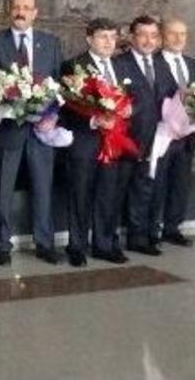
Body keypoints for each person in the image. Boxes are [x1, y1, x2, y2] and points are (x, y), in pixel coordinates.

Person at [0, 0, 64, 265]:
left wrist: (51, 114)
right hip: (9, 130)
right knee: (2, 190)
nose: (20, 12)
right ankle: (1, 245)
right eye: (16, 7)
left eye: (26, 7)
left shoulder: (50, 43)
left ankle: (45, 242)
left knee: (43, 189)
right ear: (10, 10)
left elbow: (58, 85)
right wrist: (11, 99)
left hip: (41, 130)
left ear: (35, 12)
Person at [60, 18, 135, 266]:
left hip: (113, 142)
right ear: (89, 39)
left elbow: (133, 98)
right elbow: (66, 108)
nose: (108, 42)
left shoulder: (121, 67)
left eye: (113, 37)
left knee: (107, 194)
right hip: (85, 142)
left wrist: (128, 110)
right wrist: (94, 121)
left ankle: (103, 245)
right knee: (79, 195)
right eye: (103, 36)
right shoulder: (74, 66)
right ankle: (77, 247)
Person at [114, 15, 176, 257]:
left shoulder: (161, 64)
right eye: (142, 34)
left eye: (153, 35)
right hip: (126, 140)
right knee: (119, 193)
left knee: (145, 189)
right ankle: (110, 238)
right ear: (132, 37)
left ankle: (140, 237)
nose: (148, 40)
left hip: (157, 140)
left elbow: (171, 96)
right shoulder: (120, 64)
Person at [153, 18, 195, 247]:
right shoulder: (153, 62)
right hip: (162, 135)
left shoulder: (192, 65)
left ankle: (173, 227)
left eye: (183, 34)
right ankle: (153, 229)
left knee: (180, 183)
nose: (179, 38)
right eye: (173, 34)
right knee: (157, 183)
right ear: (162, 36)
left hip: (187, 137)